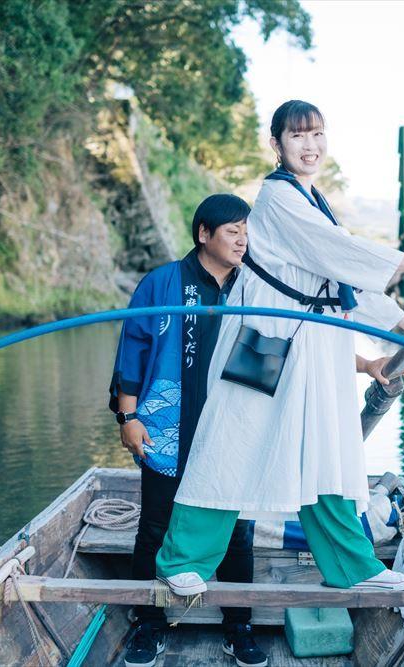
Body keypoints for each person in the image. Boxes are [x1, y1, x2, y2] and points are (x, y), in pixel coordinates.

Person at [154, 100, 404, 598]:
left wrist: (402, 321)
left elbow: (337, 277)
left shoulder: (313, 199)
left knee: (330, 450)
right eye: (297, 136)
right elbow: (337, 251)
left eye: (317, 135)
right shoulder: (277, 198)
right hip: (267, 337)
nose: (309, 146)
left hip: (319, 342)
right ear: (277, 145)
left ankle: (351, 565)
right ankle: (182, 559)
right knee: (232, 442)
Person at [108, 194, 268, 667]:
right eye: (232, 230)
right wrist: (128, 417)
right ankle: (149, 624)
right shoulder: (162, 283)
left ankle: (239, 627)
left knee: (238, 530)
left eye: (246, 231)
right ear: (204, 234)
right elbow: (132, 350)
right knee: (156, 525)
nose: (242, 239)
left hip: (233, 429)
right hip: (167, 425)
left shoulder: (255, 287)